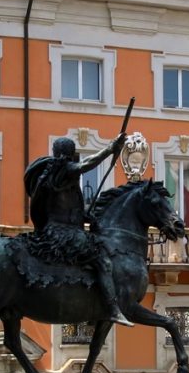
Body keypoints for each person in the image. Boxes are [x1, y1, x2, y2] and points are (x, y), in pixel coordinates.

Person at [22, 135, 132, 326]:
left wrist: (84, 217)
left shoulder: (51, 175)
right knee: (104, 262)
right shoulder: (63, 171)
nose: (75, 159)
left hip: (57, 230)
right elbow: (86, 165)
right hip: (63, 234)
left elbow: (62, 207)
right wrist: (110, 148)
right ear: (69, 155)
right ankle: (112, 310)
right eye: (74, 155)